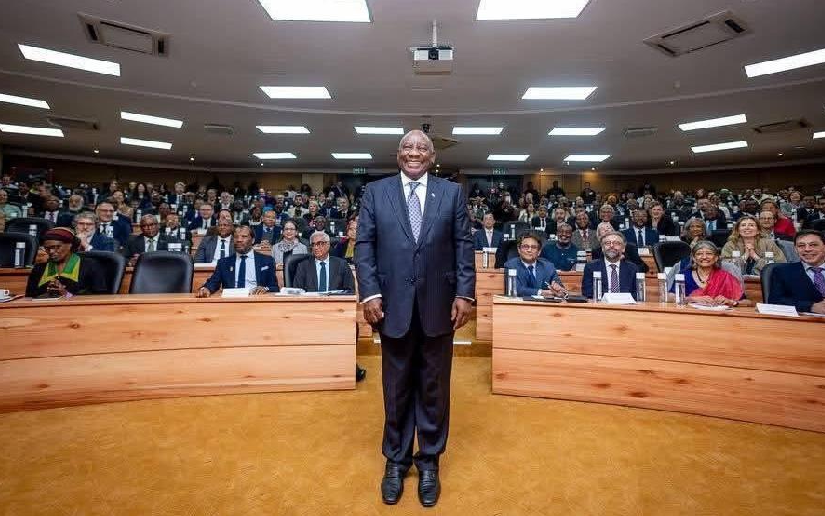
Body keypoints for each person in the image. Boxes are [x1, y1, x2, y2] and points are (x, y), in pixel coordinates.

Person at [355, 130, 474, 507]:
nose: (414, 152)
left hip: (440, 305)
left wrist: (465, 294)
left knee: (434, 387)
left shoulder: (452, 193)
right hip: (391, 306)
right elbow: (364, 246)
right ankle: (396, 460)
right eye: (407, 146)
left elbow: (464, 245)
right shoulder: (375, 193)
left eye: (422, 147)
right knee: (396, 387)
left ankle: (429, 461)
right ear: (397, 154)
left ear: (433, 157)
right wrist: (370, 293)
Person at [197, 225, 279, 296]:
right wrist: (206, 289)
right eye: (236, 237)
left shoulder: (266, 261)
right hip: (232, 301)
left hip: (256, 300)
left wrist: (265, 289)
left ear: (253, 240)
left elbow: (274, 287)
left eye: (244, 236)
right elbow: (213, 282)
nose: (239, 240)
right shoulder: (224, 263)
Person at [24, 227, 107, 298]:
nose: (51, 251)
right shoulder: (39, 268)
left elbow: (100, 297)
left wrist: (66, 294)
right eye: (47, 248)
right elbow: (29, 297)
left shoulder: (91, 266)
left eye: (56, 247)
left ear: (70, 245)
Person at [768, 230, 825, 314]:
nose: (807, 249)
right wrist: (811, 306)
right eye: (801, 246)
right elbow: (775, 301)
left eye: (813, 245)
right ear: (795, 249)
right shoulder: (783, 272)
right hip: (805, 320)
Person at [675, 241, 746, 306]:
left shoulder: (725, 277)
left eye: (709, 253)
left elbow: (747, 302)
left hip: (719, 314)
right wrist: (692, 299)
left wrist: (730, 301)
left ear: (716, 258)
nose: (704, 257)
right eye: (699, 254)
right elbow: (670, 296)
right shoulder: (684, 275)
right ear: (694, 258)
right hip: (690, 313)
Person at [721, 215, 786, 275]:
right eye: (743, 225)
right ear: (738, 230)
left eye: (751, 225)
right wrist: (745, 256)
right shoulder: (730, 244)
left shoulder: (768, 243)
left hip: (766, 280)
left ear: (758, 231)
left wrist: (755, 256)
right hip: (736, 280)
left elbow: (781, 264)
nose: (747, 228)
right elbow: (724, 266)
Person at [582, 231, 639, 300]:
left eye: (616, 243)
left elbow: (637, 294)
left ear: (623, 248)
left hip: (625, 305)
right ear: (602, 248)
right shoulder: (591, 267)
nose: (611, 246)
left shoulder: (632, 268)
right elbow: (588, 293)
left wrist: (619, 300)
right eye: (607, 243)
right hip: (601, 305)